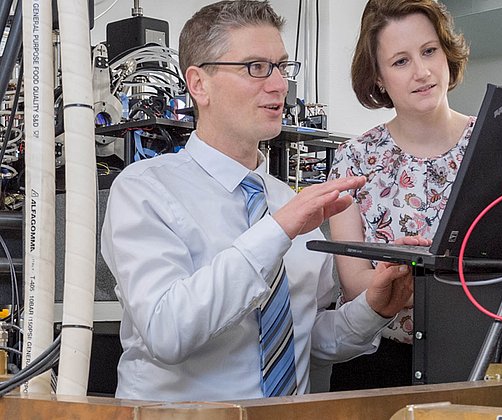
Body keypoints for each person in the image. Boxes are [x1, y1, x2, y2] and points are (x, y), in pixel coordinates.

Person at [100, 0, 413, 402]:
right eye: (255, 67)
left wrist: (374, 308)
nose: (280, 85)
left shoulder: (284, 201)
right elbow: (167, 331)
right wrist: (277, 231)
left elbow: (305, 340)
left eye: (282, 66)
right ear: (199, 84)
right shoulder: (145, 189)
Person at [328, 0, 475, 390]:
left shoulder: (495, 143)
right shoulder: (353, 160)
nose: (422, 71)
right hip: (379, 366)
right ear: (378, 78)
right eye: (400, 61)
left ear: (447, 53)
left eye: (429, 51)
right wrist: (396, 277)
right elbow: (354, 286)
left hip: (478, 359)